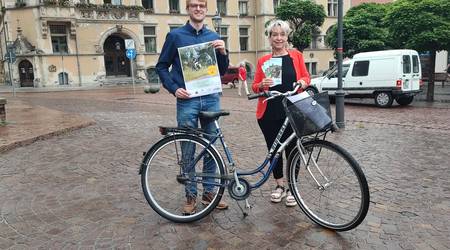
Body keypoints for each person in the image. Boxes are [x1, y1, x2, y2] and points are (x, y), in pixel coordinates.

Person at [156, 0, 229, 215]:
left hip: (211, 99)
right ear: (188, 9)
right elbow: (161, 66)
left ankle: (209, 194)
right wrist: (174, 88)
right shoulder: (176, 36)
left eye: (202, 6)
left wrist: (224, 52)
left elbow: (222, 72)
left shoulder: (214, 38)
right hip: (187, 100)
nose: (198, 9)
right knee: (188, 148)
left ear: (207, 10)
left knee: (210, 148)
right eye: (194, 5)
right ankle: (190, 195)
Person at [251, 19, 310, 207]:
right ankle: (279, 186)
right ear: (269, 38)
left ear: (287, 37)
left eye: (282, 34)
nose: (278, 38)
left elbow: (306, 77)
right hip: (269, 111)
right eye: (274, 34)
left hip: (292, 109)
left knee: (293, 149)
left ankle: (292, 187)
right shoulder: (264, 61)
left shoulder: (296, 56)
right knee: (274, 150)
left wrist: (302, 83)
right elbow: (254, 87)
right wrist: (261, 85)